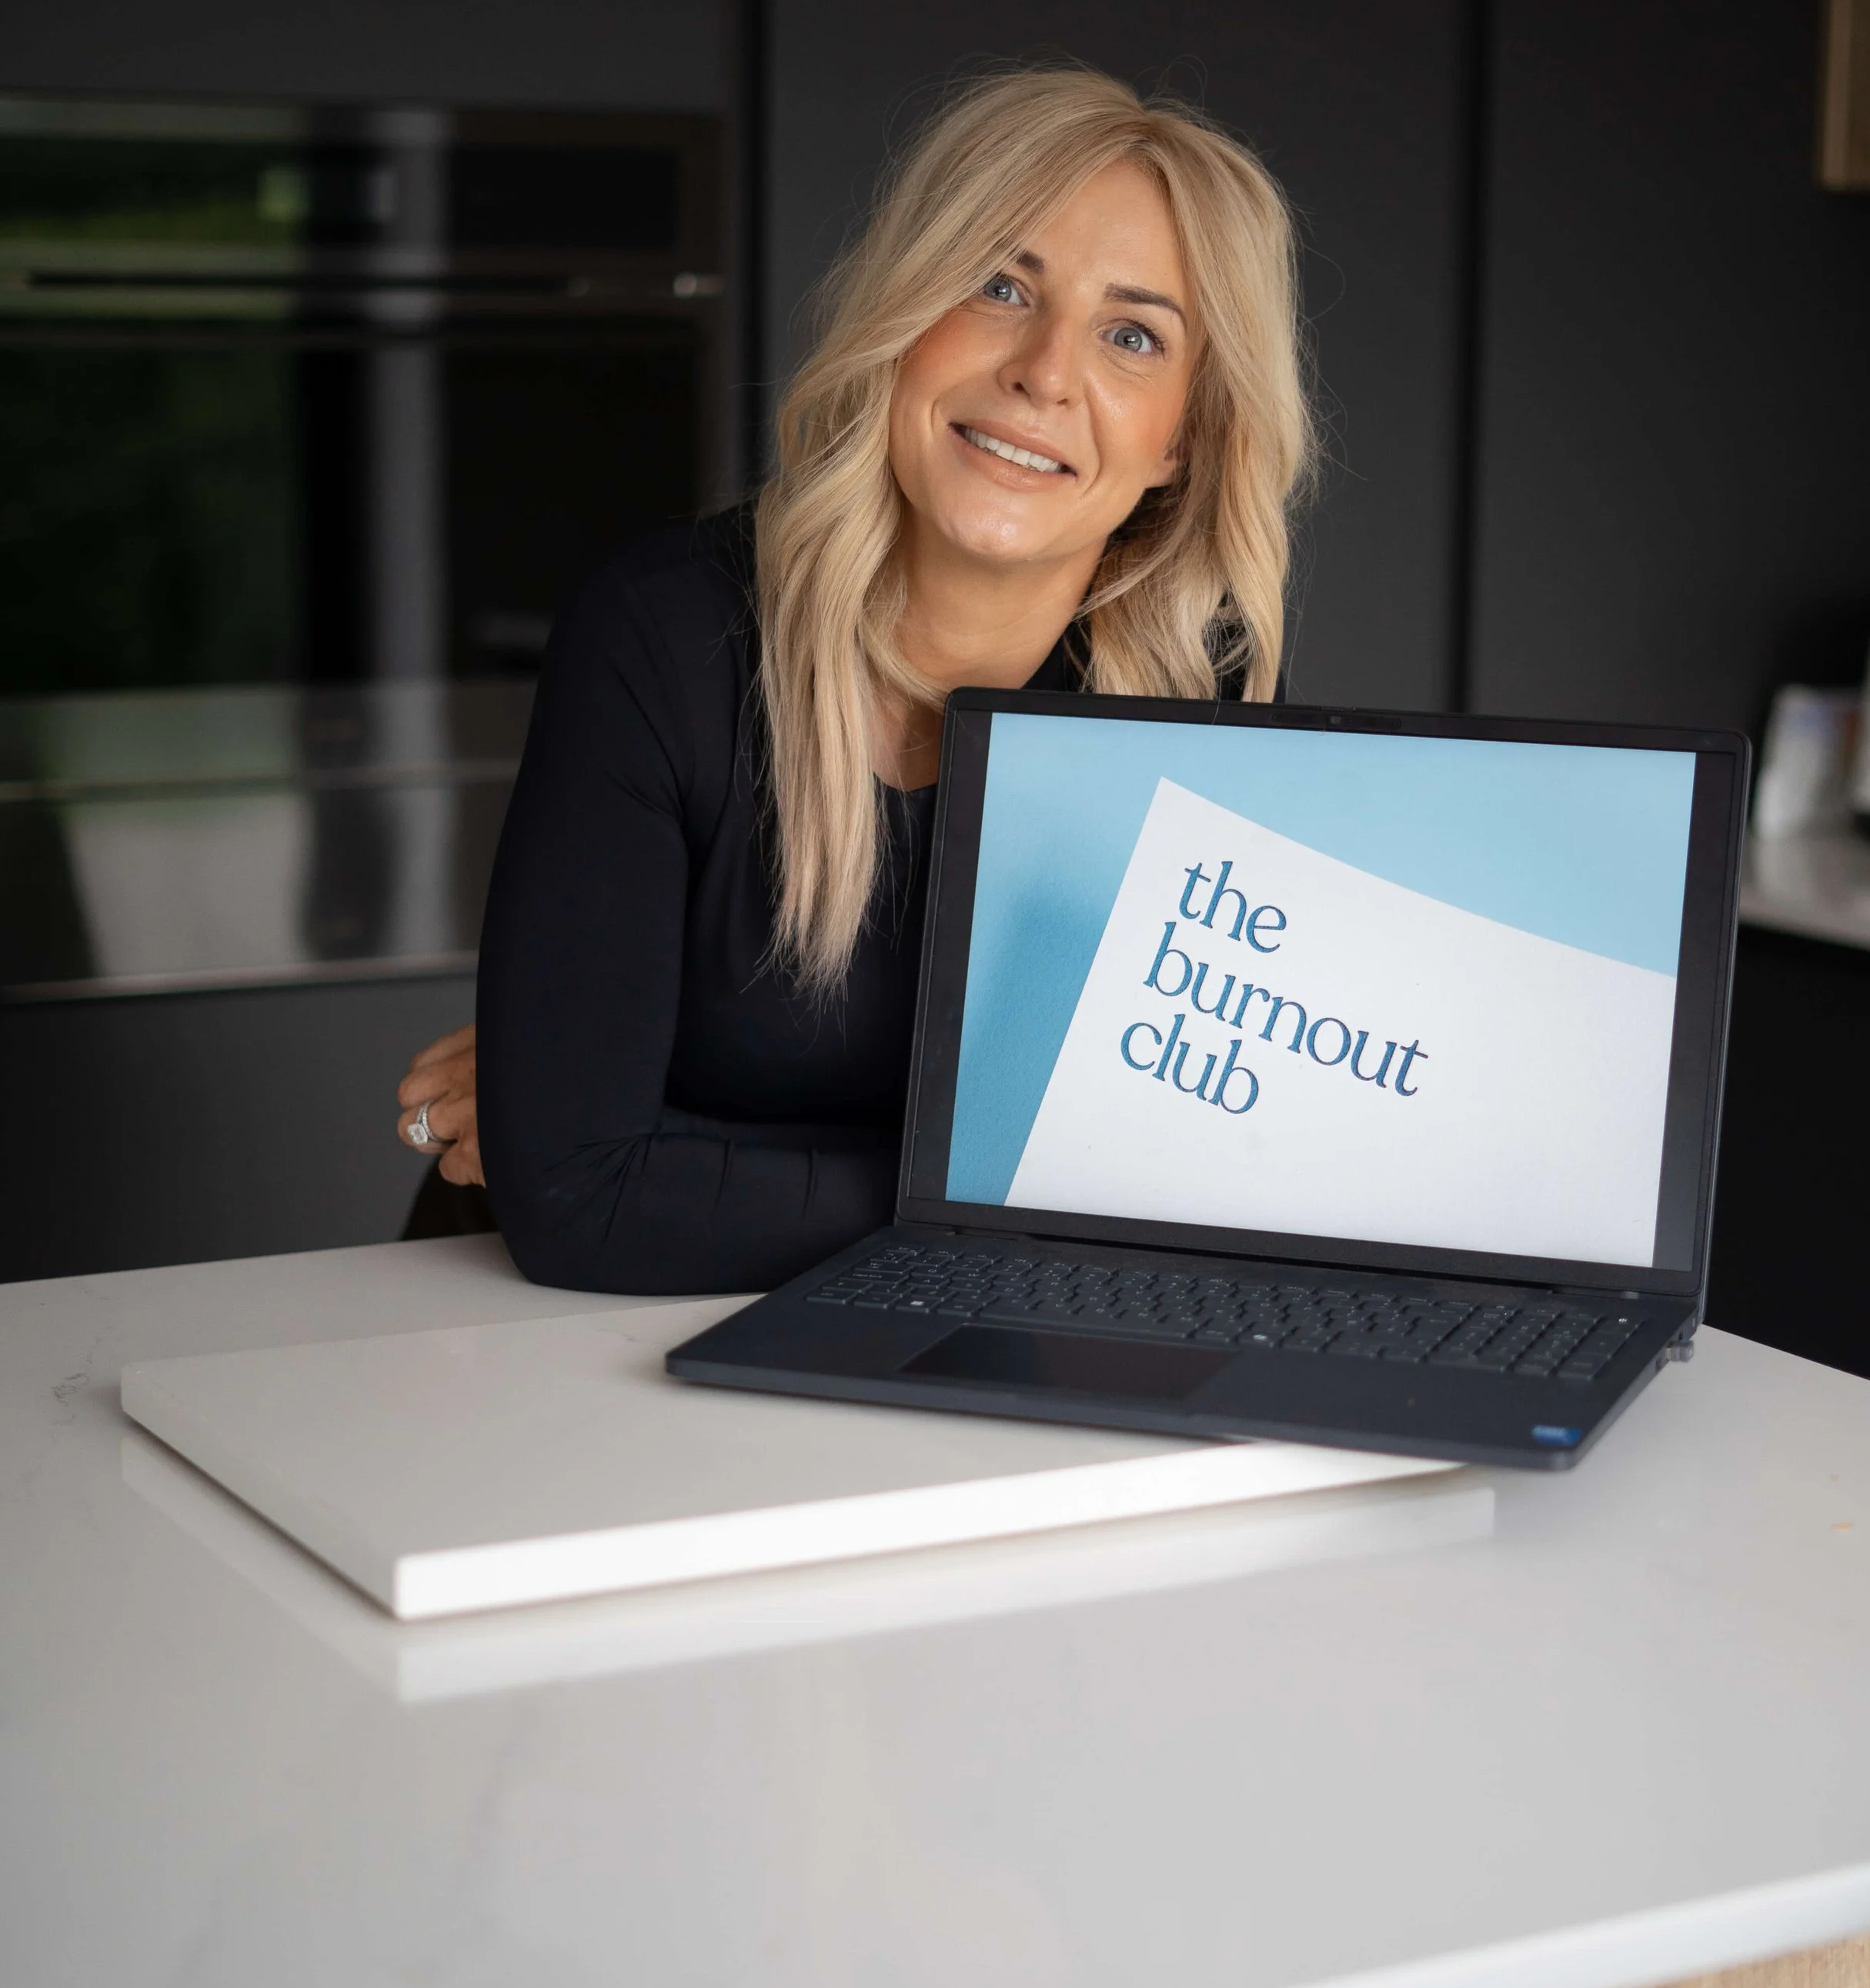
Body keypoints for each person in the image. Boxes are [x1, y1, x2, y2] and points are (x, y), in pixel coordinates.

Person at [396, 65, 1314, 1292]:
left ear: (1183, 438)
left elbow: (1223, 1164)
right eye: (1000, 285)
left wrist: (688, 1143)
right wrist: (1018, 1184)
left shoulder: (1192, 700)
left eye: (1132, 335)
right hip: (522, 1360)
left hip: (920, 1343)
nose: (1046, 371)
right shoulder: (666, 635)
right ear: (906, 312)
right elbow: (579, 1198)